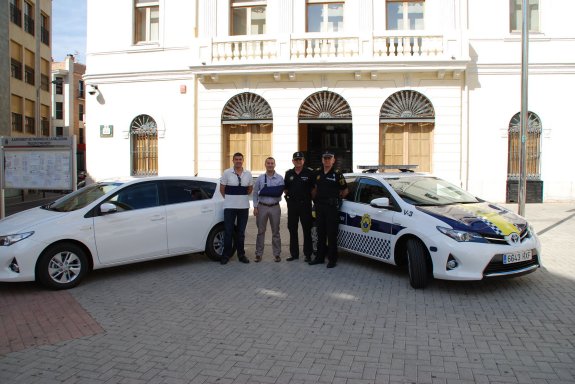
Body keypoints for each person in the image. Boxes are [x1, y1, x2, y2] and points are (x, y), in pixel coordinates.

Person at [309, 150, 348, 268]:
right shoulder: (317, 173)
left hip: (331, 208)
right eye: (325, 158)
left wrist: (337, 200)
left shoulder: (337, 174)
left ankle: (332, 259)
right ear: (322, 160)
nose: (327, 160)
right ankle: (319, 258)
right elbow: (313, 188)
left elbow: (345, 190)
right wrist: (314, 199)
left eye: (329, 158)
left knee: (331, 234)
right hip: (320, 207)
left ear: (333, 160)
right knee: (320, 233)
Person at [219, 152, 253, 265]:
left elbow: (250, 189)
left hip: (243, 207)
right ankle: (226, 255)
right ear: (233, 160)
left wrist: (240, 198)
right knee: (228, 231)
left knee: (241, 232)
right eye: (236, 159)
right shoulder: (227, 173)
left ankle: (241, 254)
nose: (238, 161)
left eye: (240, 159)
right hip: (229, 207)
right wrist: (230, 199)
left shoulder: (248, 174)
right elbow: (222, 189)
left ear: (243, 161)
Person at [284, 151, 315, 262]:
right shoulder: (289, 173)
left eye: (300, 159)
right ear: (293, 161)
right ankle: (294, 254)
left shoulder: (309, 173)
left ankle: (308, 254)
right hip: (292, 205)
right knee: (292, 229)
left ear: (303, 160)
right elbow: (286, 188)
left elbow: (313, 189)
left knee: (307, 230)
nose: (298, 161)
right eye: (296, 160)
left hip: (305, 205)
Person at [253, 157, 285, 262]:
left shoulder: (280, 178)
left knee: (276, 231)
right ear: (265, 164)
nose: (270, 165)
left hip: (275, 207)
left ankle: (277, 254)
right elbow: (255, 193)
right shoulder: (260, 178)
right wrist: (255, 206)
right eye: (268, 163)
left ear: (274, 165)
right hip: (262, 207)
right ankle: (258, 254)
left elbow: (281, 192)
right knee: (260, 231)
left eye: (272, 163)